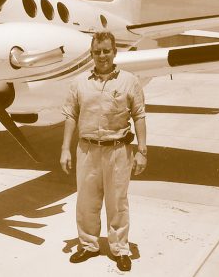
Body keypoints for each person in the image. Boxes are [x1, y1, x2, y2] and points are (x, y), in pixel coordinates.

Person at [60, 31, 147, 272]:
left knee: (117, 201)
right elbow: (70, 115)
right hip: (87, 150)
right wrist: (65, 149)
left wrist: (142, 150)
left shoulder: (129, 81)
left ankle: (120, 248)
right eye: (97, 51)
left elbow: (139, 115)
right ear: (91, 54)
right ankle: (89, 245)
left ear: (114, 52)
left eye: (106, 51)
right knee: (86, 201)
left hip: (118, 150)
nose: (102, 56)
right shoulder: (78, 83)